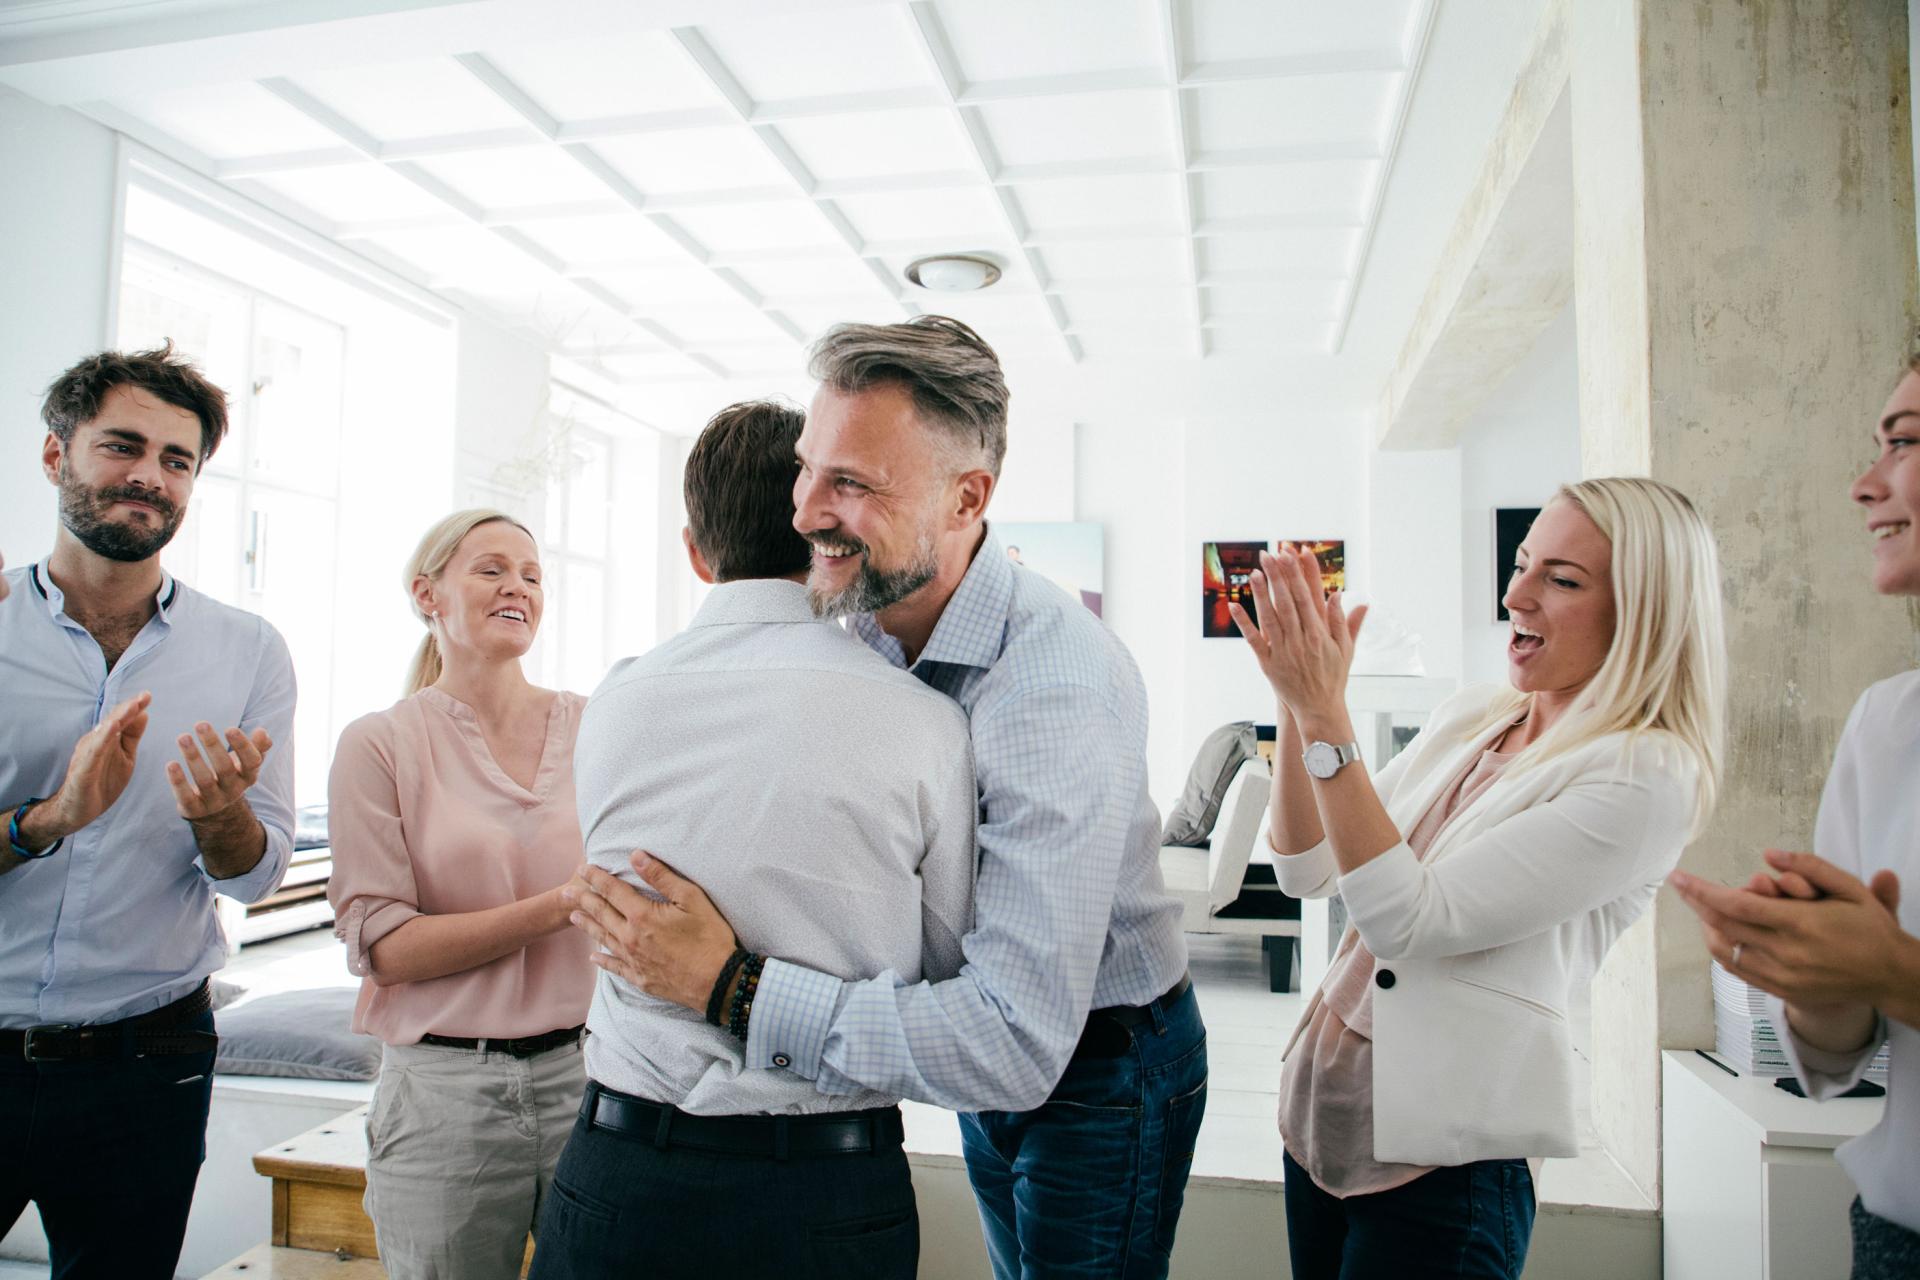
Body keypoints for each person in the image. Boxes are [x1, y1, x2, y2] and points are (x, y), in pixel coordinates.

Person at [562, 317, 1205, 1279]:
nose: (804, 513)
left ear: (967, 498)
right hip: (981, 1042)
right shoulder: (861, 618)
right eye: (807, 471)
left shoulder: (1056, 688)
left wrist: (731, 986)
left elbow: (1013, 1041)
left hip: (1102, 1063)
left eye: (852, 484)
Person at [1236, 479, 1726, 1279]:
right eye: (1523, 563)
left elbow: (1408, 920)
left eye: (1560, 579)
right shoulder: (1479, 714)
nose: (1515, 595)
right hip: (1320, 1132)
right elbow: (1305, 866)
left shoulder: (1645, 775)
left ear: (1645, 613)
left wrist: (1326, 713)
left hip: (1442, 1176)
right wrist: (1294, 703)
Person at [530, 400, 975, 1279]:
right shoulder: (925, 722)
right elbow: (946, 975)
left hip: (619, 1171)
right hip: (825, 1190)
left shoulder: (613, 703)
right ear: (831, 533)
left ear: (696, 551)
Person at [0, 344, 296, 1277]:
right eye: (122, 447)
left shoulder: (248, 650)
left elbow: (254, 875)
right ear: (56, 455)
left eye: (177, 460)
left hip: (153, 1050)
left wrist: (220, 819)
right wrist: (49, 819)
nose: (150, 477)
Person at [1670, 354, 1920, 1279]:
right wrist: (1818, 985)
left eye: (1904, 443)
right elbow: (1838, 1060)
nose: (1865, 485)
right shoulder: (1887, 724)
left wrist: (1897, 972)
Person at [327, 509, 594, 1279]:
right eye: (492, 570)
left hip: (588, 1080)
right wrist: (560, 905)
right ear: (427, 595)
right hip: (444, 1100)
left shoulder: (595, 724)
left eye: (532, 576)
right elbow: (388, 951)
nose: (518, 587)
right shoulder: (379, 744)